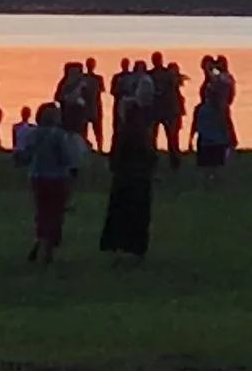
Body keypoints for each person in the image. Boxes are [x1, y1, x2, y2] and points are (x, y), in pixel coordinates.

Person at [25, 94, 85, 264]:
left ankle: (38, 239)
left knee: (41, 211)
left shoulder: (34, 133)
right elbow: (66, 157)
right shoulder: (58, 135)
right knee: (56, 213)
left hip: (37, 176)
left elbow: (26, 153)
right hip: (56, 178)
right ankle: (48, 249)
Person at [99, 98, 159, 265]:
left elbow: (114, 158)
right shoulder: (143, 135)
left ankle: (120, 248)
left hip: (124, 180)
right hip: (140, 180)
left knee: (121, 215)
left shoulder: (122, 134)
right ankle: (135, 249)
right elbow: (152, 157)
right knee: (138, 216)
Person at [192, 82, 237, 182]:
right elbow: (227, 124)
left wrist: (191, 138)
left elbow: (195, 124)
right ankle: (215, 183)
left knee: (206, 168)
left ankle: (209, 183)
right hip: (217, 140)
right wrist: (231, 136)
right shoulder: (221, 108)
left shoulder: (200, 108)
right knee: (217, 167)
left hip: (206, 141)